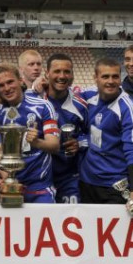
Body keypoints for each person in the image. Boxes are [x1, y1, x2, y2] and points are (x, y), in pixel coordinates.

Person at [0, 63, 60, 203]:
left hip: (41, 188)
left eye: (10, 82)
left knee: (44, 225)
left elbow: (55, 145)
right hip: (13, 188)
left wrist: (37, 142)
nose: (7, 88)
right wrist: (7, 179)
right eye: (1, 85)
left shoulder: (43, 106)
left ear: (20, 81)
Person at [79, 58, 133, 210]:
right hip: (87, 182)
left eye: (115, 76)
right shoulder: (87, 96)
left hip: (114, 186)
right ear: (95, 78)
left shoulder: (128, 107)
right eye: (105, 76)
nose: (110, 81)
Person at [35, 53, 88, 204]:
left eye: (66, 72)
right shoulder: (35, 102)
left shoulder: (81, 106)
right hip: (39, 178)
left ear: (72, 75)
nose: (62, 76)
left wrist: (80, 143)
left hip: (69, 178)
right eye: (57, 71)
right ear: (47, 73)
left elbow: (92, 136)